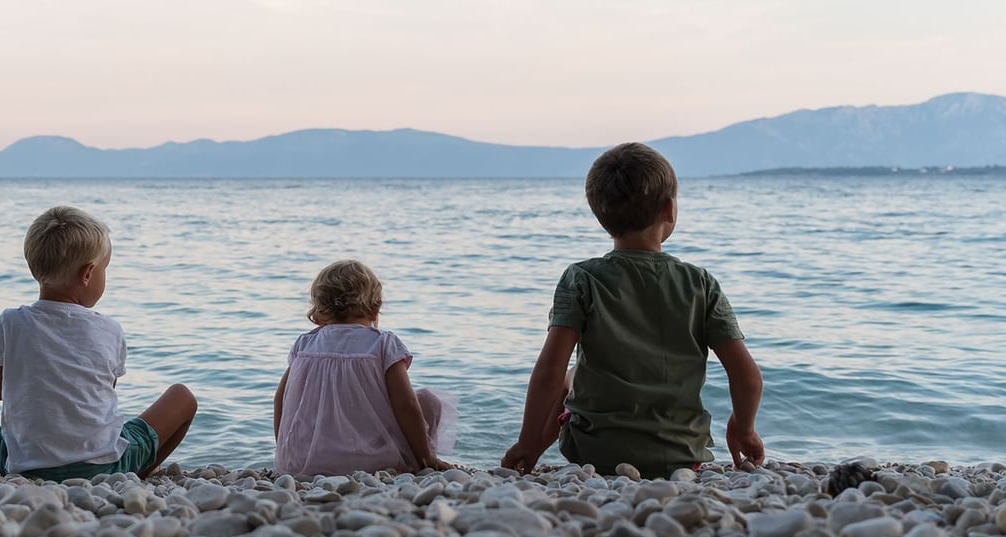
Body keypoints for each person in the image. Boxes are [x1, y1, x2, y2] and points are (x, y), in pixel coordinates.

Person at [501, 142, 764, 479]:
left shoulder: (582, 279)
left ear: (600, 216)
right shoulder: (701, 283)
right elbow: (747, 377)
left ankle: (529, 453)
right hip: (683, 455)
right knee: (571, 376)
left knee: (569, 376)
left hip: (594, 453)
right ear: (669, 209)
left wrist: (526, 438)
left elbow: (548, 372)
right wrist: (744, 430)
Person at [0, 206, 196, 481]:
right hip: (105, 464)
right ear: (88, 274)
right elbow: (102, 395)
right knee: (183, 398)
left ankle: (3, 475)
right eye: (105, 269)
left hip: (25, 464)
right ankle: (139, 470)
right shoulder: (109, 329)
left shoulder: (10, 322)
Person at [274, 259, 457, 475]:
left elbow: (281, 399)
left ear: (319, 309)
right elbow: (405, 405)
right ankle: (422, 461)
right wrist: (426, 455)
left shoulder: (304, 344)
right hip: (371, 462)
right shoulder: (383, 344)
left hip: (304, 463)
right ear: (375, 307)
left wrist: (285, 452)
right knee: (428, 401)